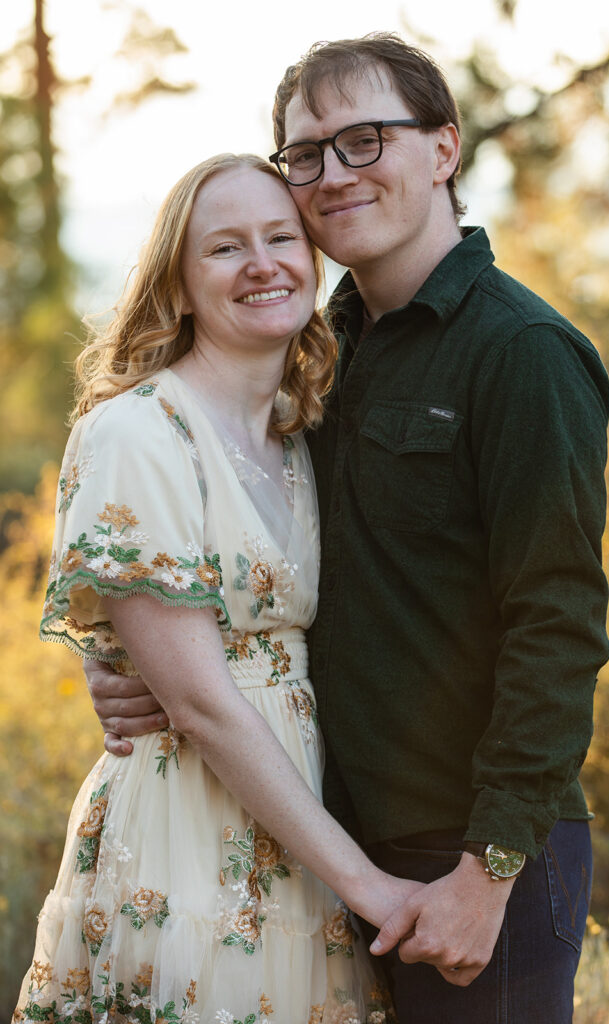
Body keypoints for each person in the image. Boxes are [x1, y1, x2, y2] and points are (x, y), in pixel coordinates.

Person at [83, 34, 609, 1024]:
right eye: (306, 154)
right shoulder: (320, 352)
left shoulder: (521, 354)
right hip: (324, 850)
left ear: (443, 148)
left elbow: (558, 626)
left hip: (465, 857)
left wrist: (485, 873)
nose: (331, 175)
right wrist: (130, 657)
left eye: (363, 141)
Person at [14, 153, 419, 1024]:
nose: (263, 264)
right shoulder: (138, 431)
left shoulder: (298, 428)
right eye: (225, 248)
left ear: (314, 262)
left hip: (299, 829)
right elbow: (197, 702)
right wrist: (368, 887)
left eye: (281, 238)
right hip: (185, 837)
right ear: (180, 284)